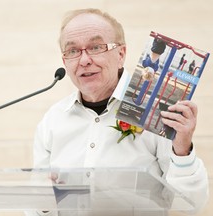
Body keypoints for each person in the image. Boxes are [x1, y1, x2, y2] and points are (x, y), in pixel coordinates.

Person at [29, 8, 208, 216]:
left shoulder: (158, 111)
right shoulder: (53, 119)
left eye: (96, 47)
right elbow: (36, 207)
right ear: (64, 62)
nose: (84, 60)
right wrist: (42, 203)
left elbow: (190, 205)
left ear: (121, 54)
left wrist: (182, 151)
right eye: (72, 51)